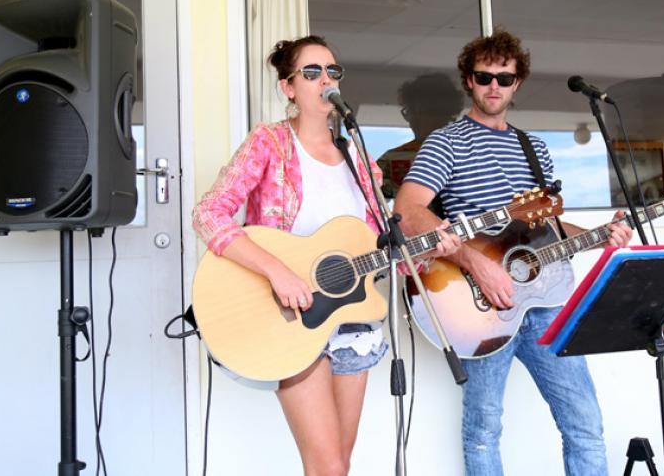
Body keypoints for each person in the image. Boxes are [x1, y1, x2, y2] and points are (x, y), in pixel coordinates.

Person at [192, 35, 458, 476]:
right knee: (327, 467)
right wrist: (278, 272)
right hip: (292, 318)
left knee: (339, 466)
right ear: (288, 88)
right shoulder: (270, 143)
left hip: (352, 319)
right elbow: (208, 213)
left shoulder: (355, 155)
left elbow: (378, 243)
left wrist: (430, 245)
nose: (325, 80)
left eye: (333, 71)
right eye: (311, 72)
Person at [394, 30, 633, 475]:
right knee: (484, 430)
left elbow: (546, 228)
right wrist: (478, 265)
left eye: (505, 78)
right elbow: (407, 212)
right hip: (480, 305)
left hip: (545, 301)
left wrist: (600, 234)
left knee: (585, 424)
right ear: (468, 80)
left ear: (517, 83)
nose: (494, 87)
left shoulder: (534, 148)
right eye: (484, 77)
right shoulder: (447, 142)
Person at [378, 73, 464, 198]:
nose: (413, 120)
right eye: (409, 112)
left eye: (423, 111)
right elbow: (366, 194)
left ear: (446, 114)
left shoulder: (468, 154)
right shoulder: (391, 159)